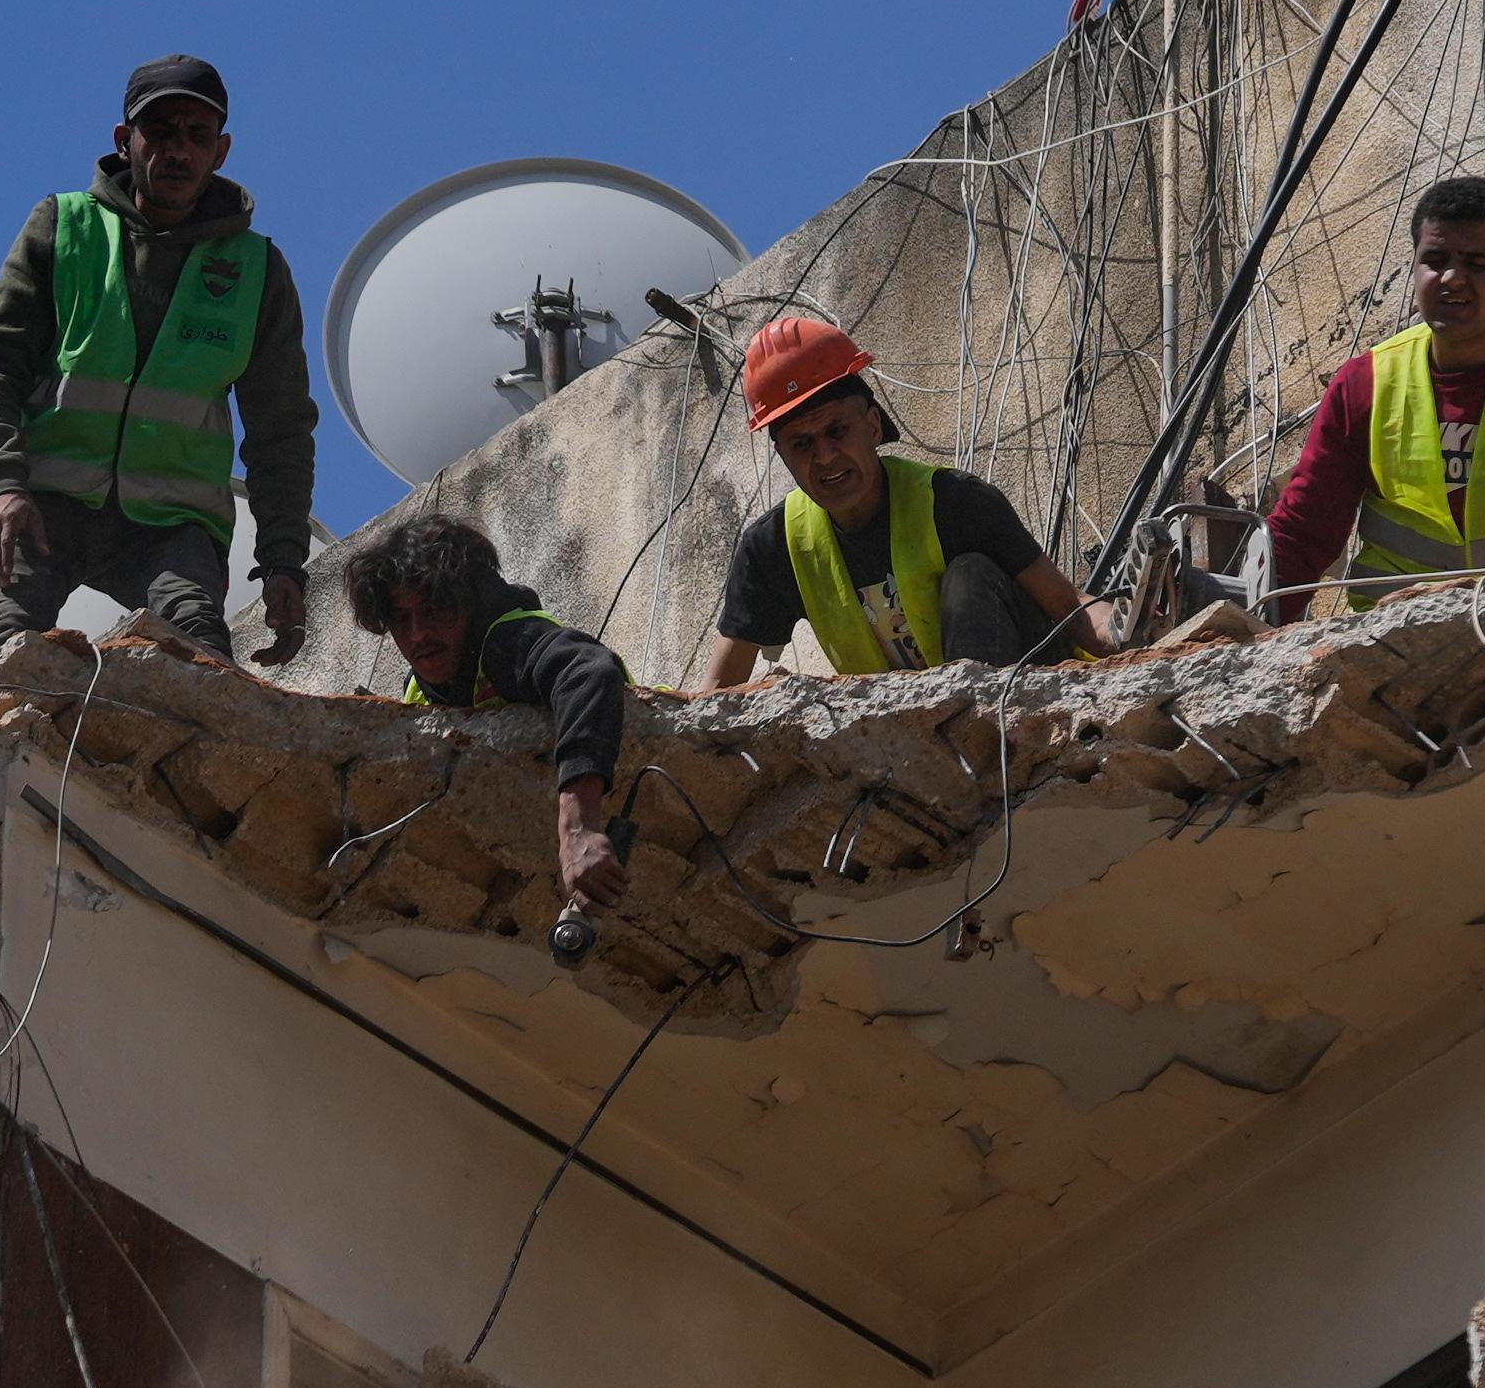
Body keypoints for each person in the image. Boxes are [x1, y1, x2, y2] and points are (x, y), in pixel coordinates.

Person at [0, 56, 317, 665]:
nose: (179, 151)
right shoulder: (64, 227)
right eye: (162, 132)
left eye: (197, 136)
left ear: (221, 150)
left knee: (201, 659)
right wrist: (1, 485)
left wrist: (283, 559)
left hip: (170, 524)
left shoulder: (256, 271)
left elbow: (281, 427)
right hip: (44, 502)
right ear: (126, 142)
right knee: (15, 661)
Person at [1261, 174, 1485, 615]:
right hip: (1386, 630)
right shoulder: (1366, 382)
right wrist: (1251, 628)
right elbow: (1305, 528)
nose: (1452, 279)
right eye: (1435, 260)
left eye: (1477, 264)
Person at [697, 314, 1106, 684]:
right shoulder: (773, 551)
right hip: (909, 745)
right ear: (783, 457)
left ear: (873, 425)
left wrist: (1128, 631)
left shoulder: (956, 503)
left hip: (1024, 702)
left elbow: (1069, 607)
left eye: (837, 431)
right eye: (802, 444)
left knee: (970, 576)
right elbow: (716, 695)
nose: (824, 456)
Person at [339, 511, 634, 929]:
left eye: (432, 609)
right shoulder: (420, 692)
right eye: (401, 619)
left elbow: (589, 673)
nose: (418, 633)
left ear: (469, 600)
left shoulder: (508, 640)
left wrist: (578, 827)